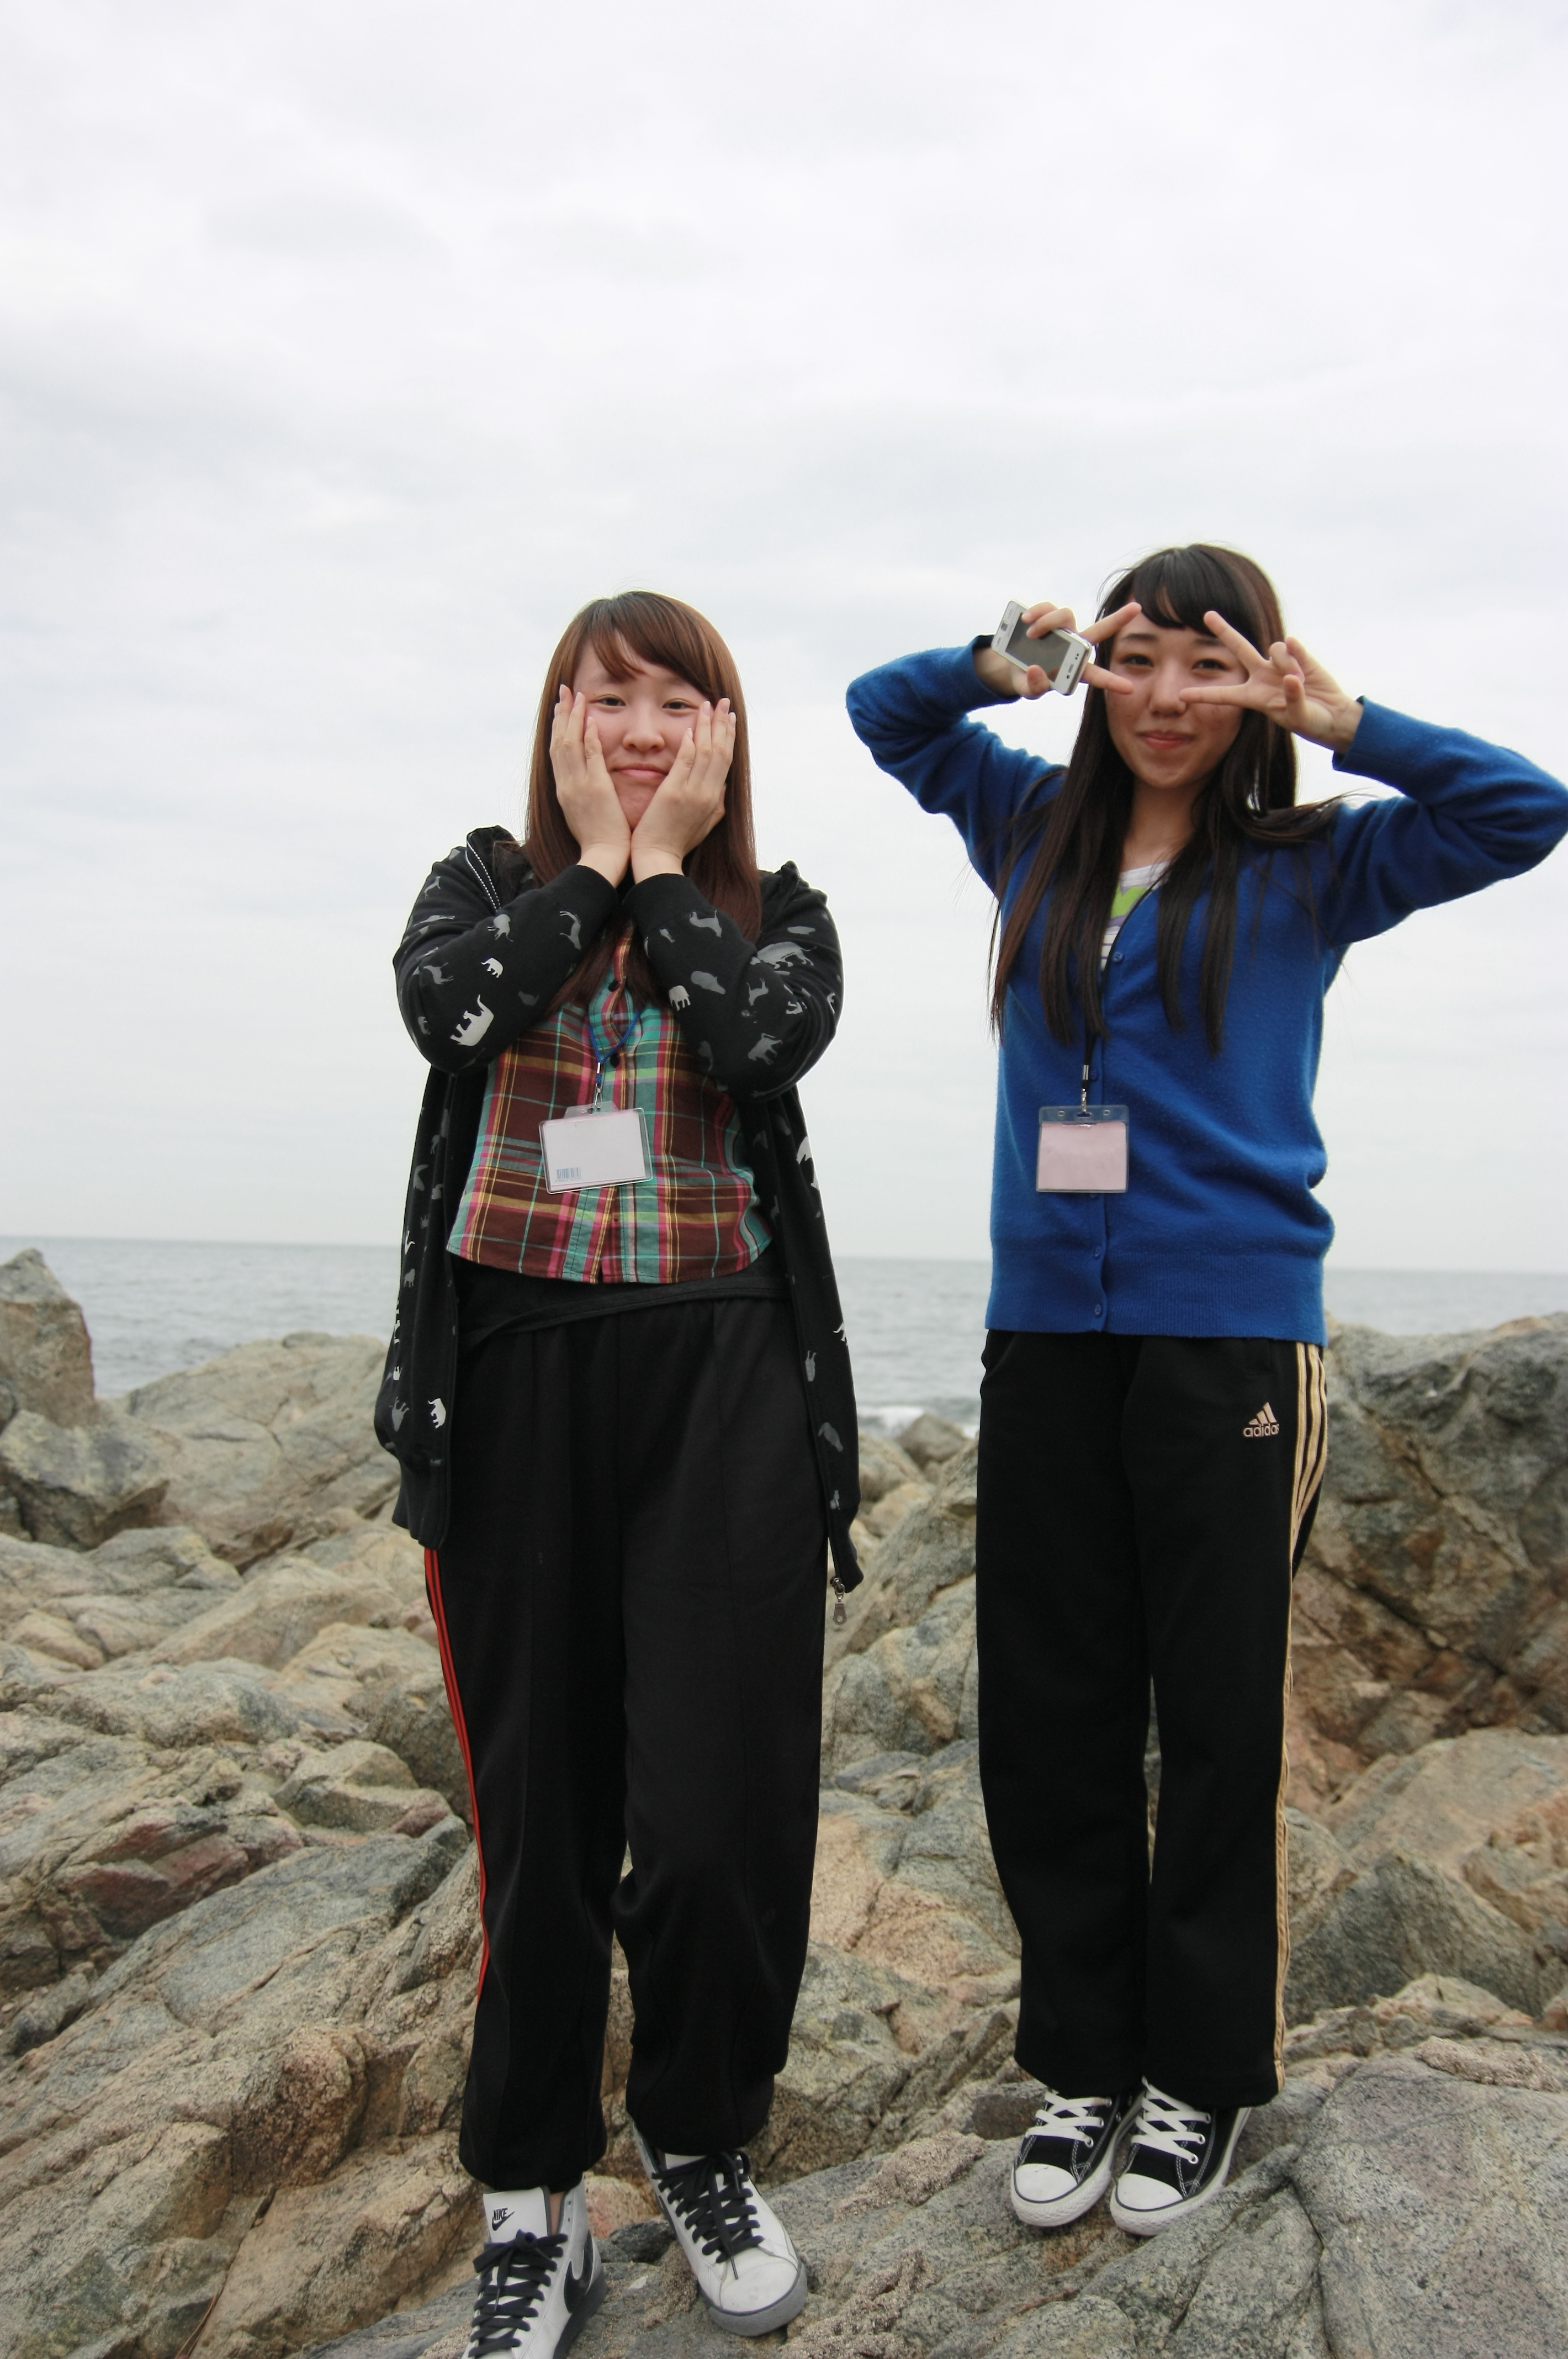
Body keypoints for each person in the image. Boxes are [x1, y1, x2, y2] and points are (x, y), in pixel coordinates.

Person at [846, 544, 1568, 2238]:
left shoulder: (1318, 861)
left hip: (1231, 1340)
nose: (1170, 697)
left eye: (1211, 663)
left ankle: (1203, 2077)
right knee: (1053, 1714)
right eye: (1141, 658)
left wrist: (1346, 720)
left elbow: (1527, 812)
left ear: (1256, 683)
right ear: (1101, 671)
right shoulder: (1028, 824)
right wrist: (1007, 661)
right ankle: (1085, 2064)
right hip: (1046, 1333)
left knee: (1221, 1720)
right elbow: (888, 716)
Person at [377, 591, 860, 2357]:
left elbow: (757, 1043)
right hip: (513, 1372)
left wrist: (663, 877)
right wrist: (589, 866)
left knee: (726, 1815)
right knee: (542, 1825)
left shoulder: (779, 914)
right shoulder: (480, 888)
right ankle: (532, 2200)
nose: (643, 728)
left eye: (679, 700)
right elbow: (450, 1017)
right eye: (609, 696)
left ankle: (700, 2133)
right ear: (557, 716)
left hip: (724, 1365)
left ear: (724, 731)